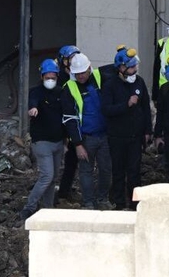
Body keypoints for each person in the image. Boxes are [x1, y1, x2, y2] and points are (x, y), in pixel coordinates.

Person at [100, 47, 152, 210]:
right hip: (117, 137)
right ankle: (119, 203)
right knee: (118, 171)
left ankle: (135, 204)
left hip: (135, 137)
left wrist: (148, 131)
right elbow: (107, 110)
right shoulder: (110, 85)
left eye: (135, 66)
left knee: (134, 172)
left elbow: (145, 109)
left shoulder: (140, 82)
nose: (134, 70)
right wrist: (126, 104)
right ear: (121, 68)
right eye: (130, 67)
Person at [61, 53, 113, 210]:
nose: (81, 76)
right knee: (86, 171)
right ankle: (88, 202)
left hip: (104, 134)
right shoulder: (69, 88)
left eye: (83, 72)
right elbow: (70, 119)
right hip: (86, 138)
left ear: (89, 68)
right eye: (77, 74)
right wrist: (77, 144)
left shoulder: (99, 77)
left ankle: (103, 199)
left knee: (106, 169)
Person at [20, 59, 65, 220]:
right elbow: (33, 102)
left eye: (53, 77)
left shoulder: (60, 92)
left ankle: (48, 208)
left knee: (52, 178)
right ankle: (29, 207)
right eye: (48, 77)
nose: (50, 80)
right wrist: (33, 108)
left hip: (58, 142)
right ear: (42, 77)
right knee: (47, 176)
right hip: (42, 142)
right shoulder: (36, 92)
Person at [56, 45, 80, 201]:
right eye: (69, 60)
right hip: (58, 126)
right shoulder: (57, 79)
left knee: (72, 161)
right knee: (54, 164)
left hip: (72, 124)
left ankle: (65, 190)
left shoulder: (77, 76)